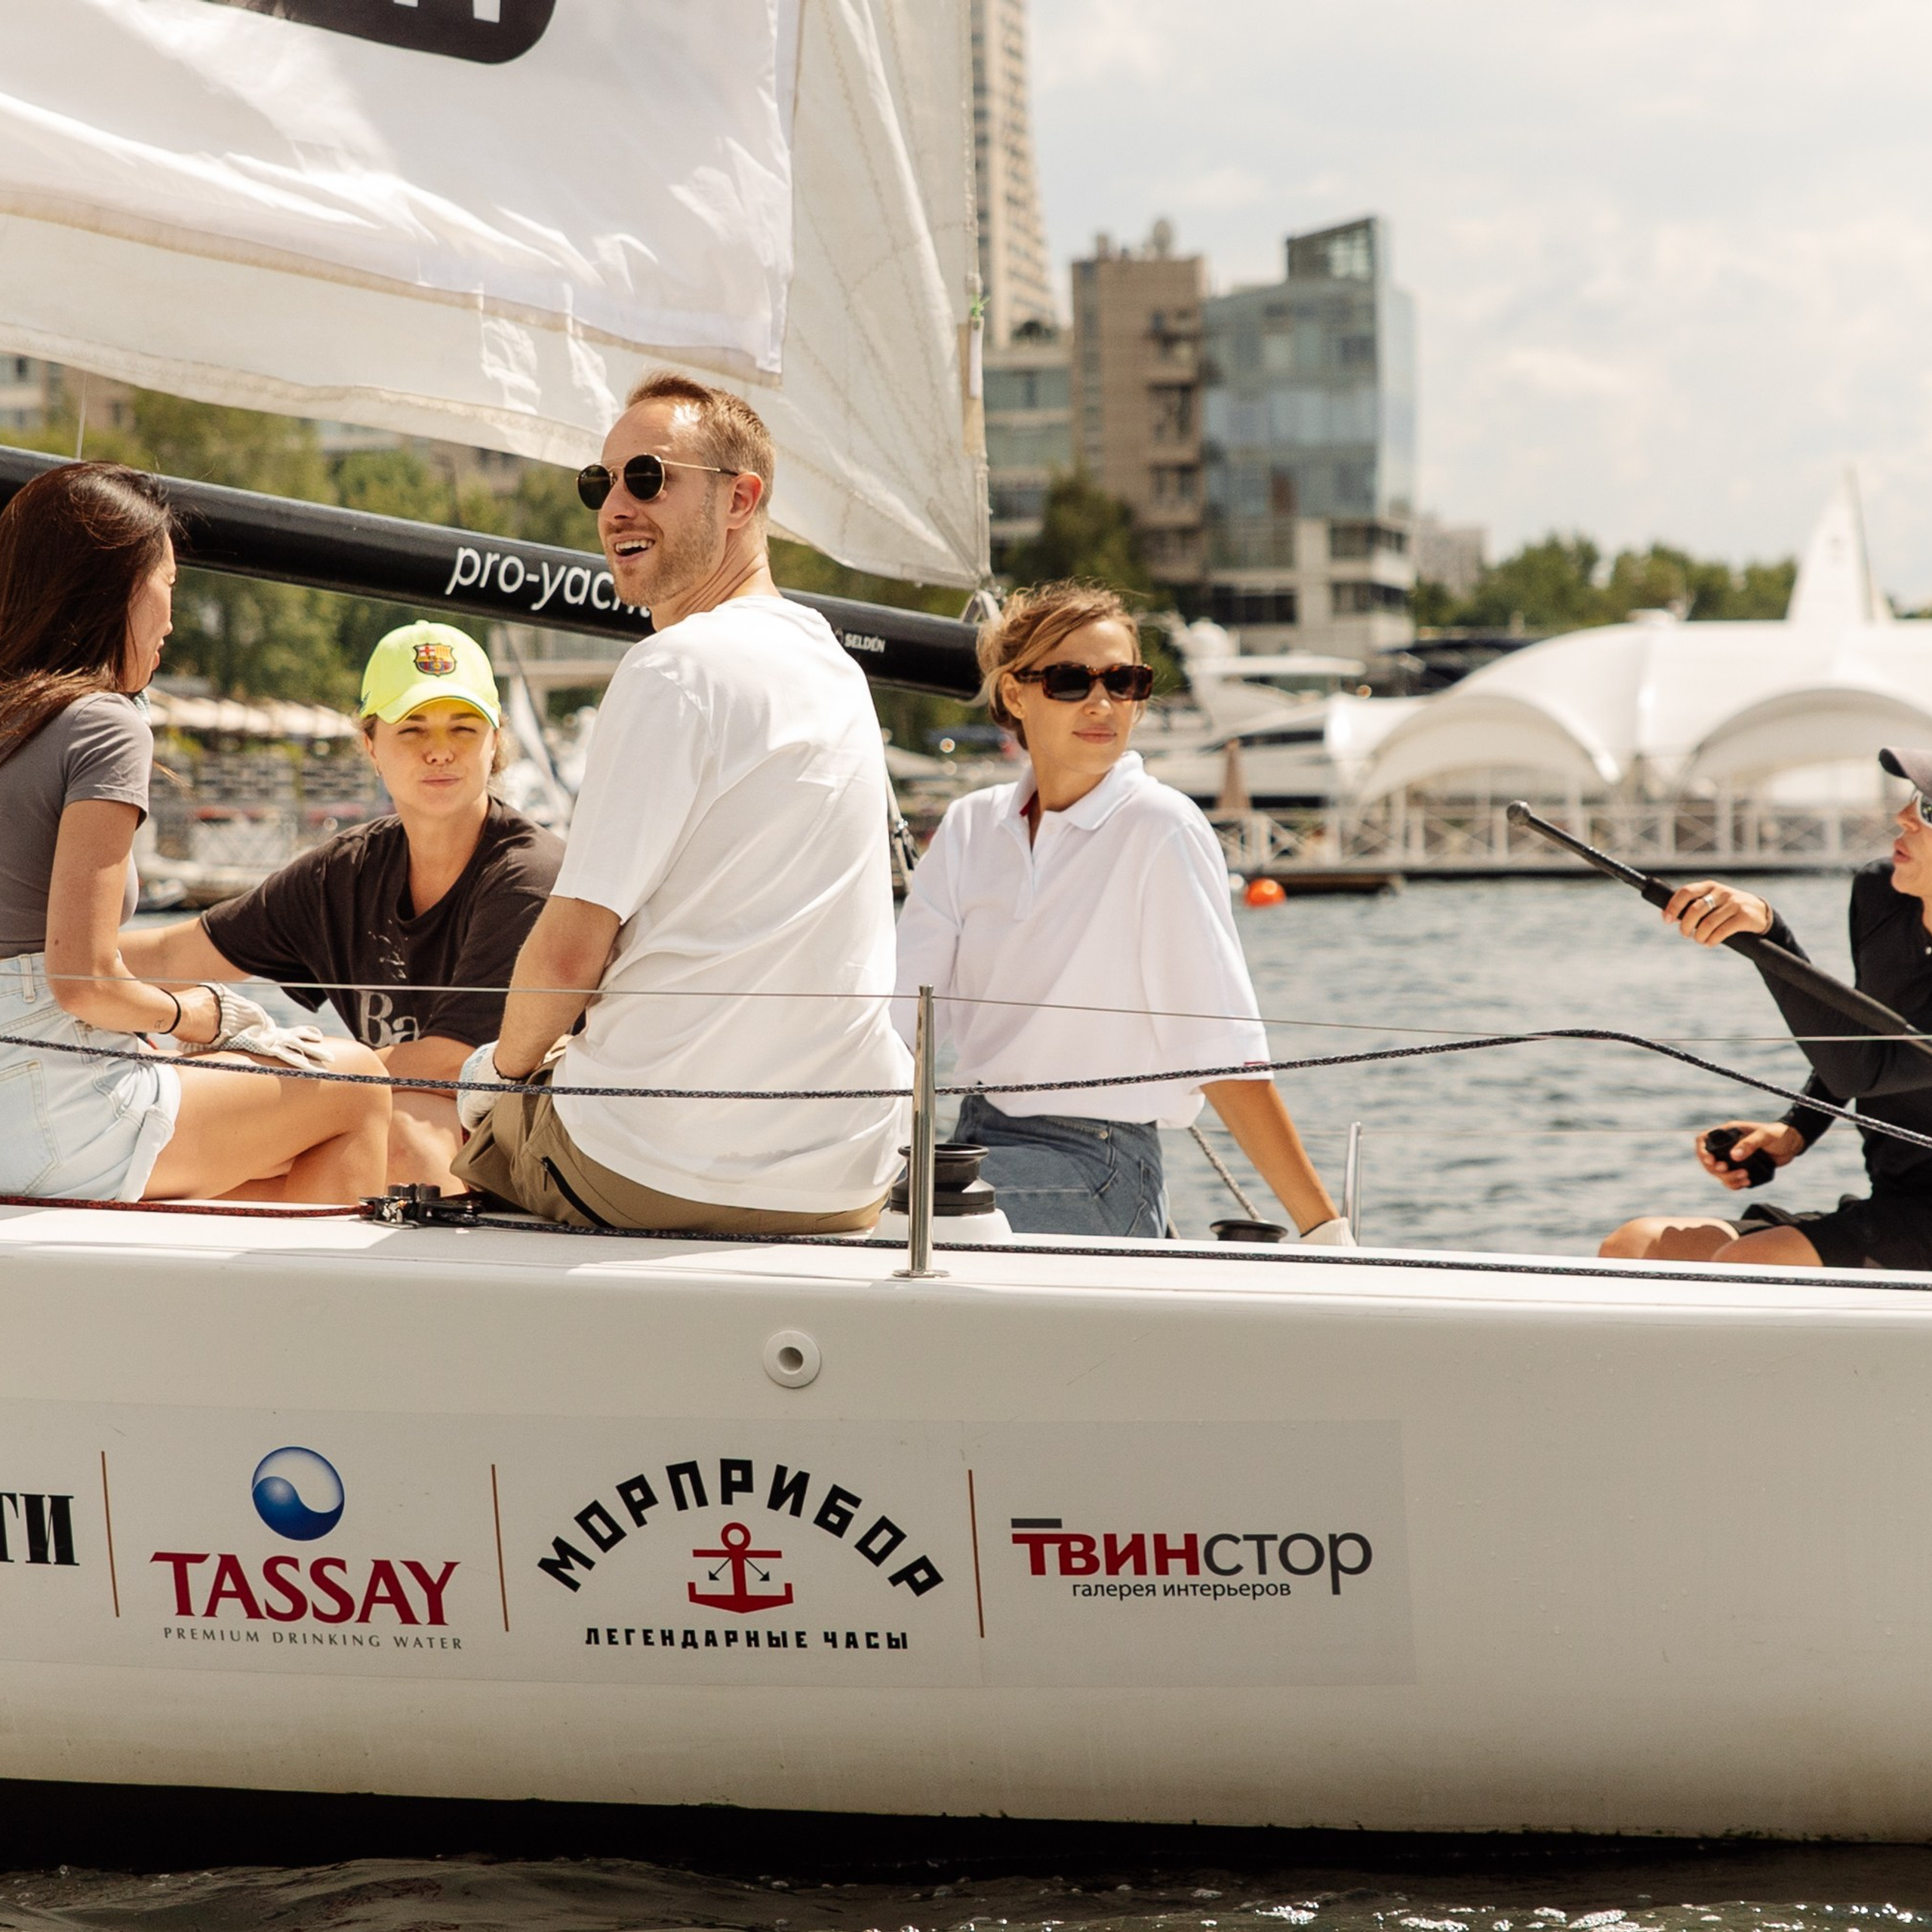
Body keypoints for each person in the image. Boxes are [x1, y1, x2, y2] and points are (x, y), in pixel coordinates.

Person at [450, 371, 909, 1232]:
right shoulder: (835, 669)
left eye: (648, 478)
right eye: (602, 482)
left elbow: (568, 954)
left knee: (451, 1115)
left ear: (741, 499)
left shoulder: (674, 669)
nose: (616, 505)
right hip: (846, 1177)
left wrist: (494, 1079)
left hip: (654, 1164)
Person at [892, 582, 1351, 1243]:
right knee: (841, 1195)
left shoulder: (1159, 827)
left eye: (1124, 680)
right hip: (973, 1146)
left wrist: (1326, 1232)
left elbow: (1220, 1052)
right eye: (1071, 680)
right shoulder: (970, 828)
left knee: (898, 1217)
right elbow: (897, 1015)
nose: (1102, 702)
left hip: (1101, 1168)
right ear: (1015, 694)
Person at [0, 461, 389, 1204]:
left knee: (260, 1143)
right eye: (169, 585)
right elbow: (80, 979)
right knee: (359, 1084)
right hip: (51, 1102)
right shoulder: (102, 723)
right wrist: (199, 1014)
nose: (174, 617)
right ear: (115, 584)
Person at [121, 623, 562, 1193]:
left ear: (494, 742)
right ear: (371, 744)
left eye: (464, 726)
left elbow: (454, 1063)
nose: (439, 749)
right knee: (200, 1151)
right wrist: (33, 961)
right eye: (412, 729)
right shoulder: (345, 874)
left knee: (397, 1135)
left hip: (518, 1149)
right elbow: (173, 952)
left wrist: (273, 1064)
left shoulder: (528, 876)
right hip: (401, 1122)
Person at [1601, 746, 1932, 1271]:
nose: (1903, 817)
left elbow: (1864, 1068)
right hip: (1894, 1206)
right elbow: (1864, 1034)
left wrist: (1770, 937)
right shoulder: (1881, 894)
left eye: (1928, 812)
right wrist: (1795, 1130)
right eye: (1913, 799)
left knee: (1750, 1263)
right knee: (1635, 1247)